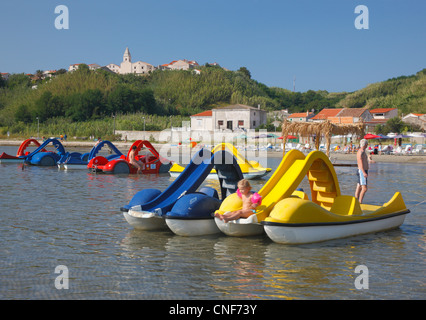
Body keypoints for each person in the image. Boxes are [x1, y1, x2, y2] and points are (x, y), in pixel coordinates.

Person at [355, 139, 369, 204]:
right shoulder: (361, 152)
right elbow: (360, 163)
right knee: (364, 188)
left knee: (359, 186)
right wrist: (363, 172)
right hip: (362, 171)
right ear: (366, 144)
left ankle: (356, 201)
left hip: (361, 170)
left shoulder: (361, 151)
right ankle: (360, 202)